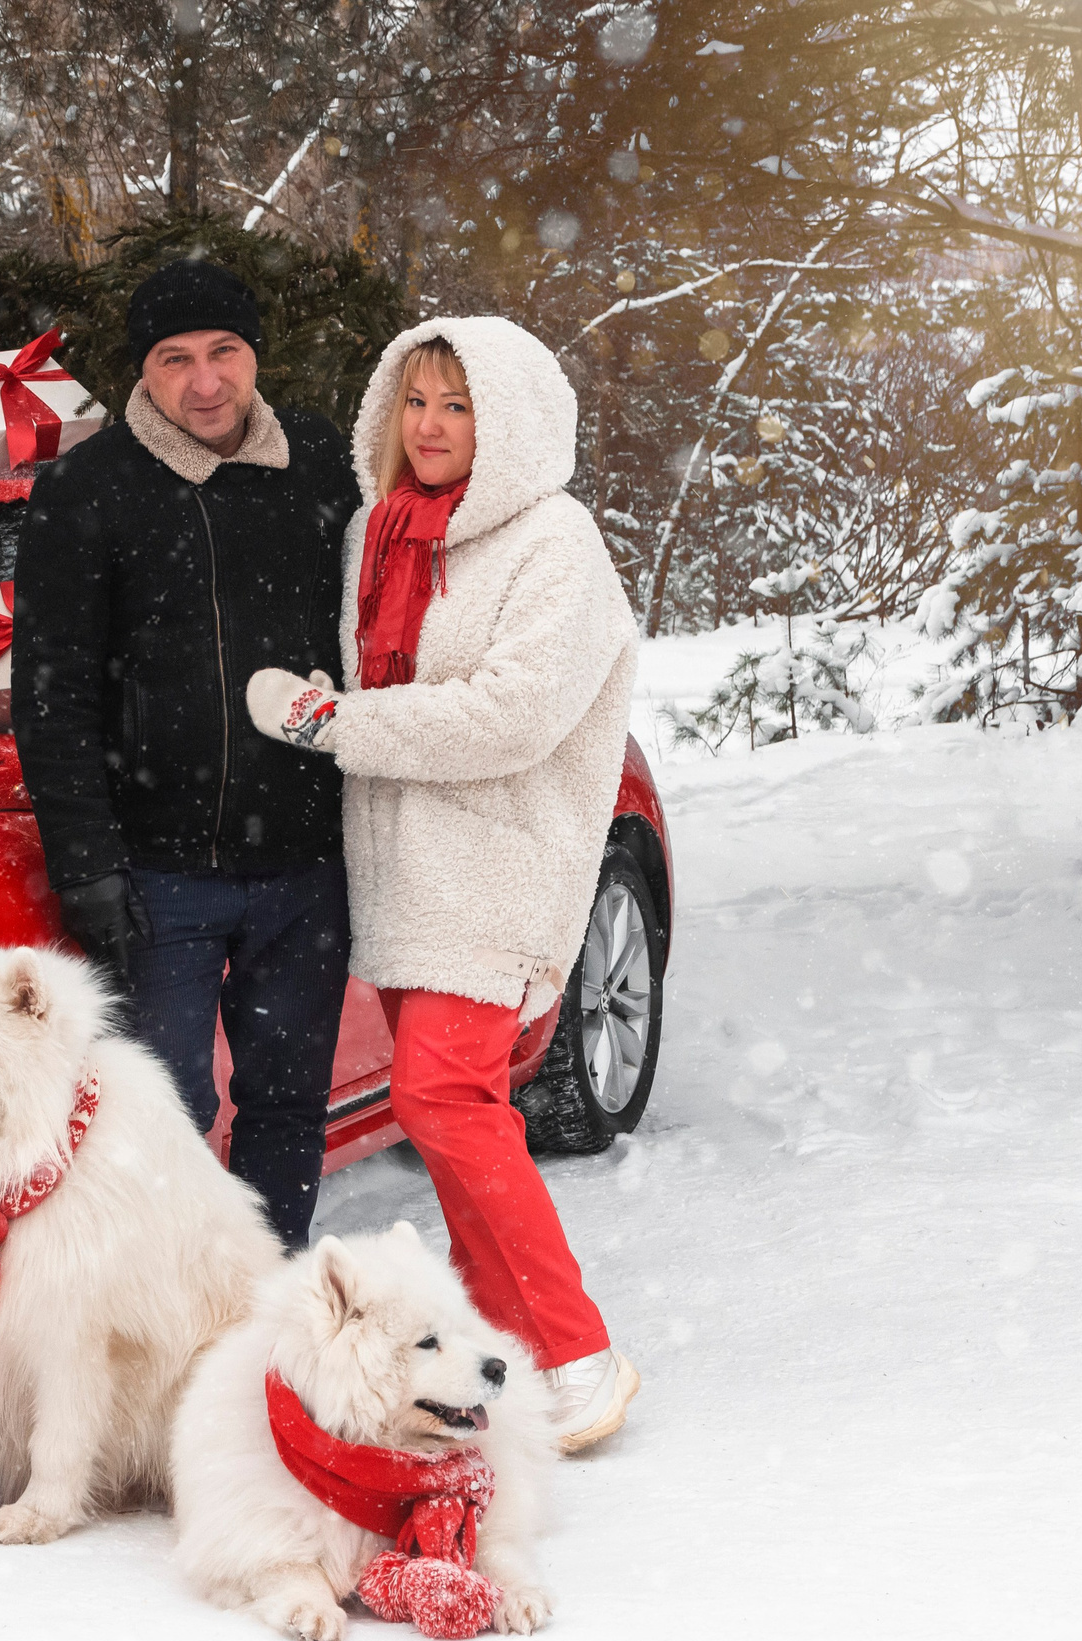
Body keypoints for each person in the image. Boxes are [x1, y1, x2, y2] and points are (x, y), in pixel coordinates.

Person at [241, 317, 643, 1451]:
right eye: (415, 400)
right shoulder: (384, 531)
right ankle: (508, 1348)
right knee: (456, 1109)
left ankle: (579, 1349)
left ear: (507, 422)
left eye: (458, 406)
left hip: (502, 859)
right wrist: (335, 695)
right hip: (408, 872)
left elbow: (508, 716)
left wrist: (331, 721)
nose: (429, 427)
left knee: (442, 1100)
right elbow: (387, 677)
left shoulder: (553, 543)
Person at [14, 259, 362, 1250]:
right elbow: (52, 692)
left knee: (289, 1102)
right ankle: (169, 1326)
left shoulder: (324, 465)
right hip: (160, 876)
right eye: (176, 360)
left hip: (305, 864)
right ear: (143, 371)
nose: (204, 382)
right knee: (156, 1119)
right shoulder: (89, 490)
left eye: (223, 353)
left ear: (253, 354)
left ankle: (269, 1300)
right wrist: (86, 865)